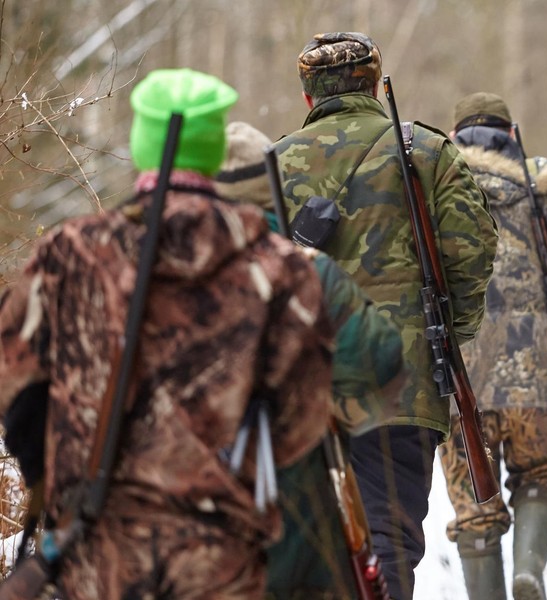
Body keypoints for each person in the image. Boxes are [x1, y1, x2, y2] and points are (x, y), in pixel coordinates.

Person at [0, 68, 332, 598]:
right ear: (213, 147)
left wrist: (57, 474)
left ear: (142, 144)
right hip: (221, 557)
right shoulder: (281, 269)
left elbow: (17, 390)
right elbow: (302, 419)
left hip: (95, 555)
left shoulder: (67, 254)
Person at [273, 32, 498, 600]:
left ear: (308, 96)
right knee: (389, 544)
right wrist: (446, 337)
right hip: (402, 385)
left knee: (306, 550)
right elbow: (472, 250)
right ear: (374, 84)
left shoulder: (271, 164)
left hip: (302, 388)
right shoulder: (426, 151)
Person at [215, 120, 410, 599]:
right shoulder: (302, 271)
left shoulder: (141, 269)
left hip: (167, 527)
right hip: (291, 517)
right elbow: (381, 360)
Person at [440, 93, 547, 600]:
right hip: (535, 369)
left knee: (475, 509)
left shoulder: (433, 188)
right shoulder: (544, 184)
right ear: (510, 134)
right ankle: (529, 572)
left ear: (455, 139)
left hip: (458, 376)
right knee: (540, 473)